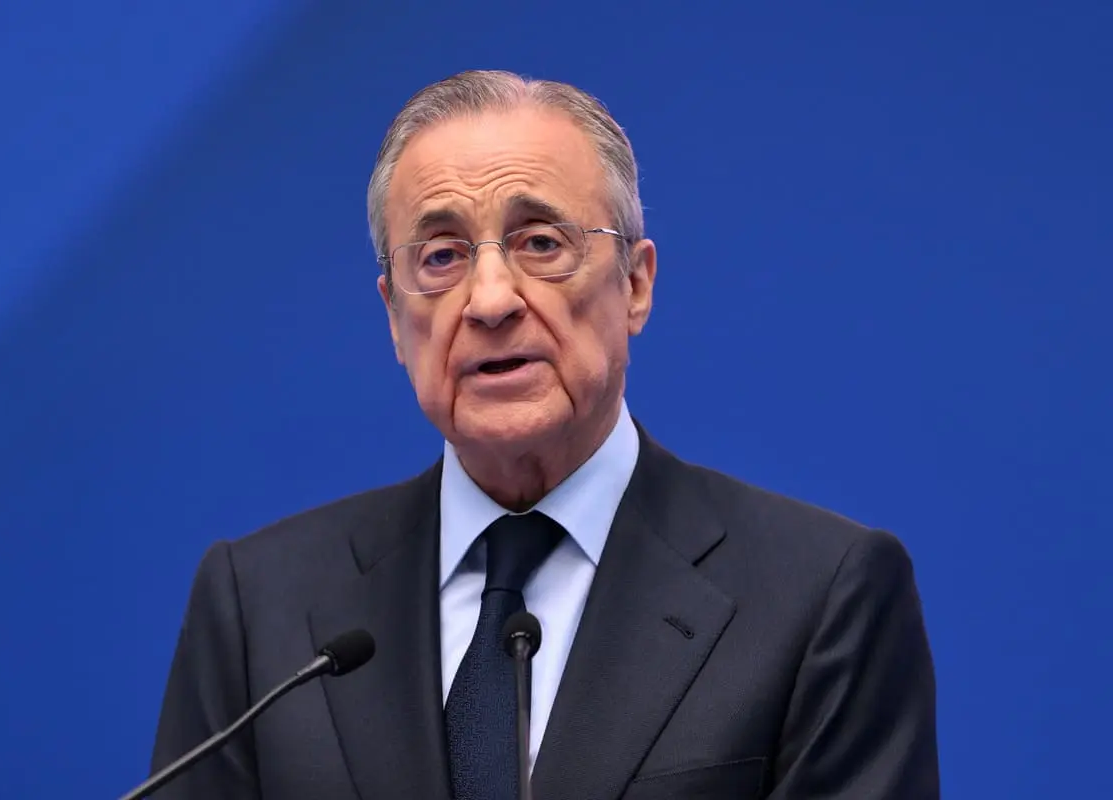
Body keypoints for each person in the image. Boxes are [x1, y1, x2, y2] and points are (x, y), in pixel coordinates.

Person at [149, 69, 939, 799]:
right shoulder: (261, 608)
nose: (491, 299)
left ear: (636, 285)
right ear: (394, 316)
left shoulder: (820, 596)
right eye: (443, 255)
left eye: (541, 243)